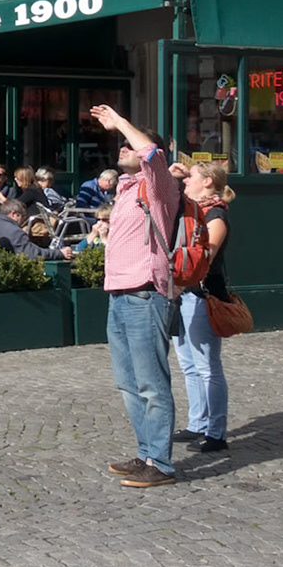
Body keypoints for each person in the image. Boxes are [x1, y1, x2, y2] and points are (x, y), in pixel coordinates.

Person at [92, 103, 183, 488]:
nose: (122, 148)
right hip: (119, 294)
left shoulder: (159, 184)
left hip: (146, 294)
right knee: (128, 383)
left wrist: (120, 122)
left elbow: (150, 153)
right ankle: (146, 452)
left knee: (151, 383)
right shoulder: (127, 189)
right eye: (121, 144)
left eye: (128, 145)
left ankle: (161, 463)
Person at [174, 161, 234, 452]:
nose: (185, 181)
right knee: (188, 365)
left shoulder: (215, 215)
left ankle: (216, 432)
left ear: (208, 181)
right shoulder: (191, 211)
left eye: (191, 177)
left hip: (201, 295)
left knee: (208, 366)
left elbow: (205, 258)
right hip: (182, 293)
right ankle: (197, 423)